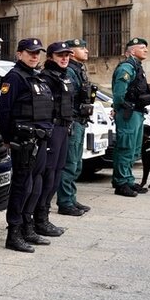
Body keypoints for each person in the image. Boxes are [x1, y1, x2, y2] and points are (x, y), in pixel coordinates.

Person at [0, 37, 54, 252]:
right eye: (30, 52)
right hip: (23, 141)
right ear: (19, 54)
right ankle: (14, 233)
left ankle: (28, 227)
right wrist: (8, 139)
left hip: (38, 139)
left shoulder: (35, 77)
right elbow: (4, 111)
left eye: (38, 52)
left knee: (33, 185)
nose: (35, 56)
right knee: (21, 186)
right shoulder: (14, 77)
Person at [33, 40, 75, 236]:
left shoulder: (63, 76)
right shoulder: (45, 77)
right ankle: (39, 220)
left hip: (64, 128)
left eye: (67, 55)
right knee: (48, 175)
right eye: (60, 55)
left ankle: (44, 217)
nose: (65, 58)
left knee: (57, 174)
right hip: (52, 130)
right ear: (50, 57)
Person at [56, 39, 94, 217]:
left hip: (80, 120)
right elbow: (67, 99)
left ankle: (71, 197)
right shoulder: (70, 71)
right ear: (72, 52)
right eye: (82, 48)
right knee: (70, 163)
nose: (86, 50)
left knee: (76, 163)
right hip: (73, 121)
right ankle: (65, 202)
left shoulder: (78, 69)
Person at [111, 37, 150, 197]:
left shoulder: (136, 67)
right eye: (142, 47)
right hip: (128, 113)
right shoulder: (127, 67)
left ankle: (127, 179)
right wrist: (119, 108)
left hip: (137, 112)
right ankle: (121, 183)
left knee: (133, 148)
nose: (146, 50)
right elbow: (119, 93)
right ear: (132, 51)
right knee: (125, 147)